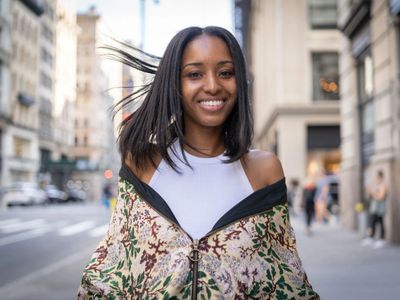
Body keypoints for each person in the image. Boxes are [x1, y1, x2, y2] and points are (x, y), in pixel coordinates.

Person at [78, 26, 319, 299]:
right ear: (175, 84)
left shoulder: (264, 170)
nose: (213, 85)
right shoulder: (142, 164)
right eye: (195, 74)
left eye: (225, 72)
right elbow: (109, 273)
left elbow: (288, 281)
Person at [362, 170, 387, 248]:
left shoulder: (383, 185)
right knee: (372, 222)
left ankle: (381, 239)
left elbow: (381, 197)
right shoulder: (376, 185)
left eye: (376, 176)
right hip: (374, 207)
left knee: (380, 222)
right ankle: (371, 237)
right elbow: (370, 197)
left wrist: (372, 192)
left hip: (380, 208)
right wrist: (369, 192)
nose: (375, 178)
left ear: (380, 177)